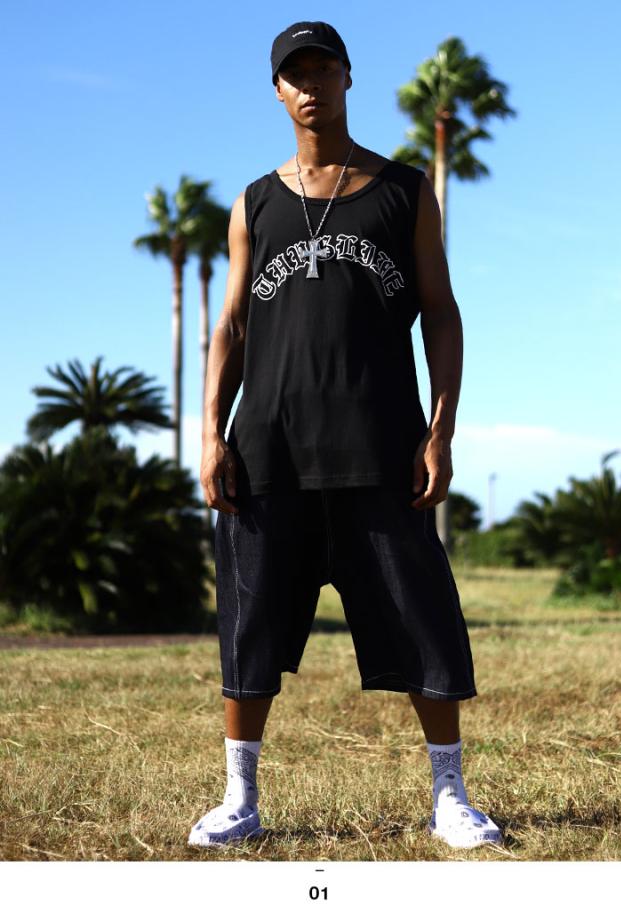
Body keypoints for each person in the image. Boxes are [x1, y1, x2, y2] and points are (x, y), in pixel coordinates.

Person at [190, 21, 502, 851]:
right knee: (250, 629)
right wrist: (211, 433)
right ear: (277, 91)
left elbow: (440, 312)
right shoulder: (254, 202)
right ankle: (240, 798)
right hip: (270, 452)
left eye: (323, 68)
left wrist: (440, 428)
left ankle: (450, 797)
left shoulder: (402, 191)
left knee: (424, 619)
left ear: (348, 77)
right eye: (295, 73)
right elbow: (231, 325)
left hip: (382, 446)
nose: (311, 84)